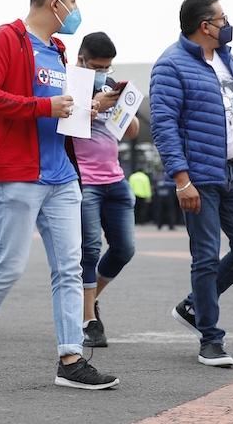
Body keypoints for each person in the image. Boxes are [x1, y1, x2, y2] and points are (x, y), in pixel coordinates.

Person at [0, 0, 119, 390]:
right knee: (9, 265)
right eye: (75, 2)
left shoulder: (60, 50)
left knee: (69, 267)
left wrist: (89, 108)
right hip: (16, 173)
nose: (77, 9)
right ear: (55, 3)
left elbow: (62, 109)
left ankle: (71, 357)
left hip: (61, 176)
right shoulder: (5, 38)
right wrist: (45, 107)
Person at [150, 0, 233, 368]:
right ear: (205, 26)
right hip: (199, 176)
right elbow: (164, 126)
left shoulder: (227, 59)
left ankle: (194, 305)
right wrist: (182, 179)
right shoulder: (171, 65)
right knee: (205, 256)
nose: (227, 24)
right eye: (222, 18)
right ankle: (210, 339)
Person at [71, 32, 139, 348]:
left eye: (107, 67)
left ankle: (86, 301)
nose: (103, 72)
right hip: (84, 180)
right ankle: (88, 320)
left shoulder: (107, 87)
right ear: (82, 60)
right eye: (98, 66)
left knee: (124, 248)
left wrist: (123, 102)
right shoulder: (68, 85)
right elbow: (66, 125)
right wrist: (94, 104)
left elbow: (133, 131)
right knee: (89, 250)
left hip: (115, 180)